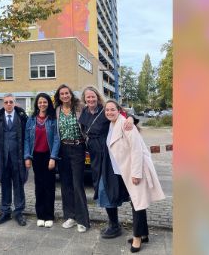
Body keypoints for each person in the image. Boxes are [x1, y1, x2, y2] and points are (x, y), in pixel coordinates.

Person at [105, 99, 165, 252]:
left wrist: (136, 174)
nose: (110, 112)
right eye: (107, 110)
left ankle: (137, 238)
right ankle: (143, 234)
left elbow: (137, 150)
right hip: (123, 170)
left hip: (134, 170)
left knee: (137, 203)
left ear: (119, 110)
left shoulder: (126, 124)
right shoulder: (112, 125)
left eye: (113, 109)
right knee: (136, 202)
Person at [77, 86, 135, 239]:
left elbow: (124, 114)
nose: (91, 100)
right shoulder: (84, 112)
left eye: (93, 97)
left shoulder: (106, 109)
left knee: (107, 187)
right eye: (88, 97)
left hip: (108, 154)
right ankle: (113, 223)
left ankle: (115, 225)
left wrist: (129, 119)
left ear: (98, 97)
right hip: (95, 155)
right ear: (84, 99)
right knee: (101, 187)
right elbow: (83, 131)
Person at [53, 84, 91, 232]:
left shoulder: (80, 107)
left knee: (77, 184)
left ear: (71, 94)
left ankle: (83, 220)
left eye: (67, 93)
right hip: (63, 149)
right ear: (59, 96)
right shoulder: (57, 110)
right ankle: (70, 216)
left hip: (78, 148)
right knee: (66, 185)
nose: (64, 96)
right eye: (62, 94)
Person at [0, 93, 29, 226]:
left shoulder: (22, 117)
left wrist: (27, 155)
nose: (9, 104)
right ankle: (5, 211)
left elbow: (28, 137)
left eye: (11, 102)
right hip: (2, 157)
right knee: (5, 184)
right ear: (3, 103)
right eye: (6, 102)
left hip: (18, 158)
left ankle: (19, 212)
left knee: (18, 184)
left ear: (15, 103)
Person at [23, 93, 60, 228]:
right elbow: (26, 139)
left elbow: (56, 139)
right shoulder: (31, 119)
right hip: (36, 156)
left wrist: (53, 157)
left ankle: (49, 215)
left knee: (49, 186)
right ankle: (40, 215)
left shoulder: (52, 119)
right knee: (39, 186)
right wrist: (27, 156)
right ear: (36, 104)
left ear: (48, 103)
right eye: (40, 102)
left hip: (49, 155)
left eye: (45, 102)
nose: (42, 104)